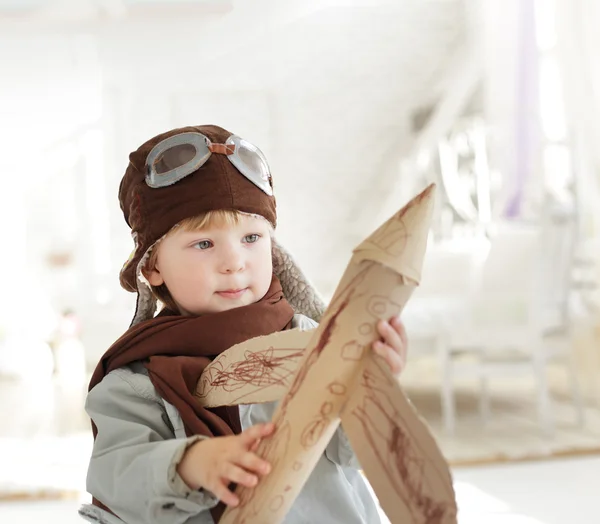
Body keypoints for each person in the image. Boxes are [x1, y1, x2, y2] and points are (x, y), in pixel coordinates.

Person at [79, 125, 408, 524]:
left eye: (252, 237)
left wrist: (373, 386)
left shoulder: (312, 343)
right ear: (152, 266)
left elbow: (359, 452)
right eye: (204, 244)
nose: (234, 261)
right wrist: (191, 463)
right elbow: (116, 475)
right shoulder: (136, 381)